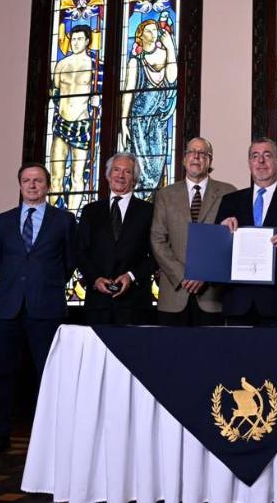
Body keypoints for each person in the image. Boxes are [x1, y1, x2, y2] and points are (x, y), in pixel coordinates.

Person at [0, 163, 76, 458]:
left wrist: (42, 283)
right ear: (20, 185)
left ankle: (50, 439)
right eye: (26, 180)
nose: (32, 185)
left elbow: (69, 262)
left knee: (48, 375)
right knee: (1, 374)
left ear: (48, 185)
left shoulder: (64, 220)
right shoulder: (3, 220)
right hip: (8, 308)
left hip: (46, 308)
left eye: (38, 180)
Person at [215, 137, 277, 325]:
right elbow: (216, 254)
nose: (261, 161)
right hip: (239, 303)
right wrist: (221, 233)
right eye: (255, 156)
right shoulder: (230, 201)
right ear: (249, 163)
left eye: (267, 155)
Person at [150, 138, 236, 325]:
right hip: (174, 294)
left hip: (212, 297)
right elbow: (157, 240)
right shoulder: (165, 195)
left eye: (202, 153)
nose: (196, 156)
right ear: (184, 159)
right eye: (191, 152)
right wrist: (183, 275)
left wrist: (203, 273)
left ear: (210, 160)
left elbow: (231, 242)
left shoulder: (228, 193)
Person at [75, 152, 155, 325]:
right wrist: (95, 279)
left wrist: (131, 276)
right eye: (116, 170)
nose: (120, 175)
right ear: (108, 175)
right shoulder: (90, 211)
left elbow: (156, 255)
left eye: (127, 171)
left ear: (134, 179)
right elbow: (80, 252)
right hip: (98, 304)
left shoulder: (149, 211)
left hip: (135, 304)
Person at [122, 19, 177, 196]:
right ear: (140, 36)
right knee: (139, 166)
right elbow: (128, 92)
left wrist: (171, 48)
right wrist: (123, 121)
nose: (153, 34)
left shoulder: (165, 55)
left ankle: (155, 200)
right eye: (148, 31)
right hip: (138, 122)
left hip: (158, 122)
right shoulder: (135, 62)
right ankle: (140, 201)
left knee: (157, 162)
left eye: (155, 30)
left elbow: (172, 78)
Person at [49, 25, 97, 211]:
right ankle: (54, 217)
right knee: (56, 176)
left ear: (87, 41)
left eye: (79, 39)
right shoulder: (61, 65)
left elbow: (99, 93)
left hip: (82, 124)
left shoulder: (93, 66)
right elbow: (54, 92)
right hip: (61, 123)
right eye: (73, 39)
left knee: (77, 176)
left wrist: (97, 100)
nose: (75, 43)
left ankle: (72, 217)